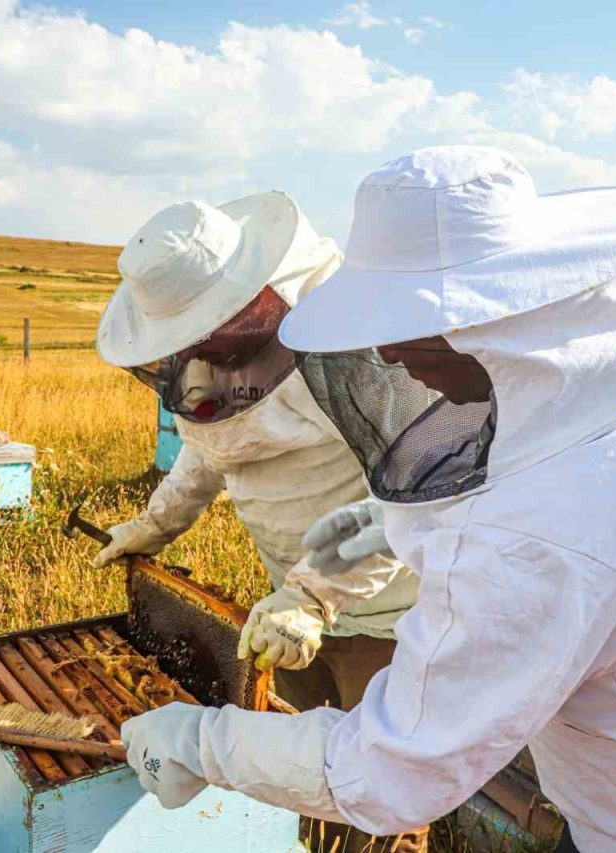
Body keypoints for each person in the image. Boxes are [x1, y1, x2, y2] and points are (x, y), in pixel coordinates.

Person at [119, 145, 616, 851]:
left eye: (401, 325)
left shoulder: (548, 530)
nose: (386, 355)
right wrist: (368, 536)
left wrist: (198, 742)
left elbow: (389, 772)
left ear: (477, 315)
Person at [95, 193, 435, 851]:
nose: (200, 361)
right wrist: (154, 524)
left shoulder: (351, 348)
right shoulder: (211, 369)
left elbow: (413, 493)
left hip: (388, 616)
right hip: (287, 612)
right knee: (299, 767)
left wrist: (313, 595)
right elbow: (210, 449)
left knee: (381, 786)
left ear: (249, 305)